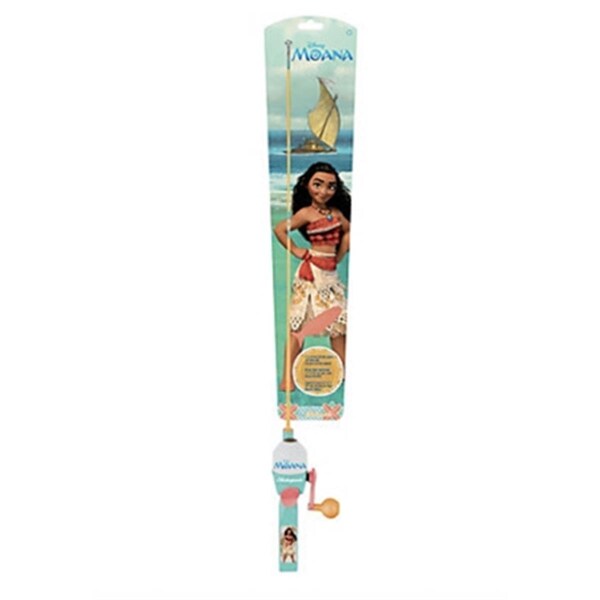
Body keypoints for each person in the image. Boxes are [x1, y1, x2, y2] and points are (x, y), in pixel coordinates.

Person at [273, 162, 351, 392]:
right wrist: (297, 250)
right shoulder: (306, 213)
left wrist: (339, 255)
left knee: (339, 324)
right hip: (310, 274)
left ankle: (345, 371)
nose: (324, 191)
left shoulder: (336, 213)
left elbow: (349, 230)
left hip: (330, 274)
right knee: (298, 326)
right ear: (307, 185)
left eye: (330, 186)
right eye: (318, 184)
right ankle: (287, 378)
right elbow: (280, 229)